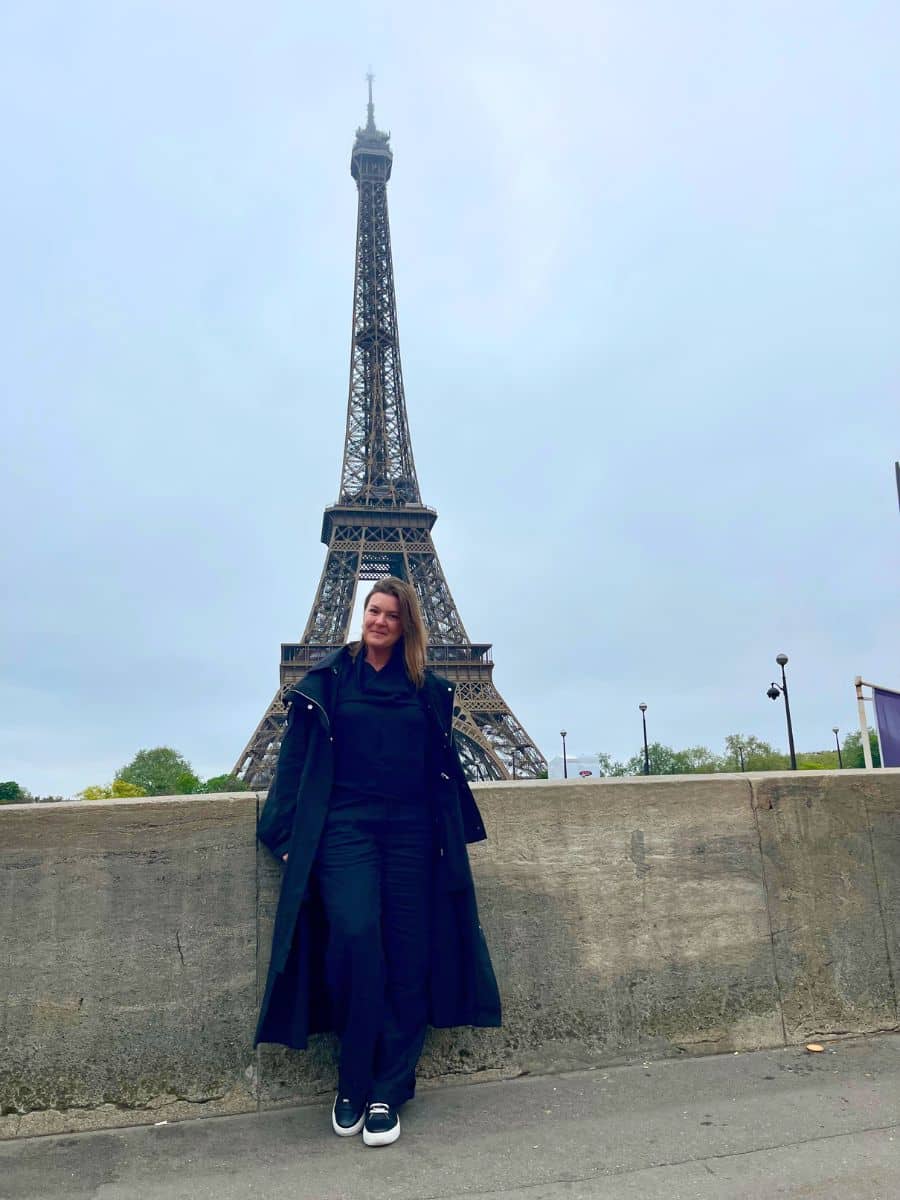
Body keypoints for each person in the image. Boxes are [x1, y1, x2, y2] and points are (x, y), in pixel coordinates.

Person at [255, 577, 501, 1147]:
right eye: (373, 610)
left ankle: (390, 1088)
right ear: (360, 615)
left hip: (412, 834)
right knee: (355, 938)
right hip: (346, 830)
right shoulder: (330, 682)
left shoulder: (428, 689)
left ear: (407, 623)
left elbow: (442, 767)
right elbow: (294, 759)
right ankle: (353, 1078)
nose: (379, 620)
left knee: (409, 956)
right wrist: (283, 830)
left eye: (391, 614)